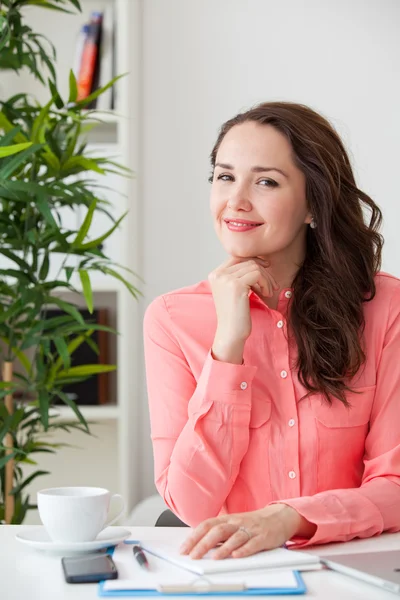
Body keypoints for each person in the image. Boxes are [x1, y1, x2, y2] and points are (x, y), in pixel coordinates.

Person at [143, 101, 400, 560]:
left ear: (312, 205)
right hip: (232, 577)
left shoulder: (385, 308)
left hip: (354, 569)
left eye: (266, 181)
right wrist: (227, 349)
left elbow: (395, 485)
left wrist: (289, 517)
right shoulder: (171, 319)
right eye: (225, 176)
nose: (236, 201)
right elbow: (189, 504)